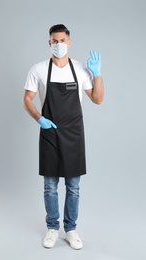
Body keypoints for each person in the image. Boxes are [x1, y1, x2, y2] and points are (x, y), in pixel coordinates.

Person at [23, 24, 104, 250]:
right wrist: (39, 118)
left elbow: (97, 99)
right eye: (54, 41)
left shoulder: (79, 69)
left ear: (69, 42)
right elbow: (27, 99)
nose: (58, 44)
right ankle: (51, 228)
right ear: (50, 43)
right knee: (50, 185)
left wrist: (97, 75)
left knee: (74, 186)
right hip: (49, 132)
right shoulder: (38, 69)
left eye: (62, 40)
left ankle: (70, 230)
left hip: (74, 133)